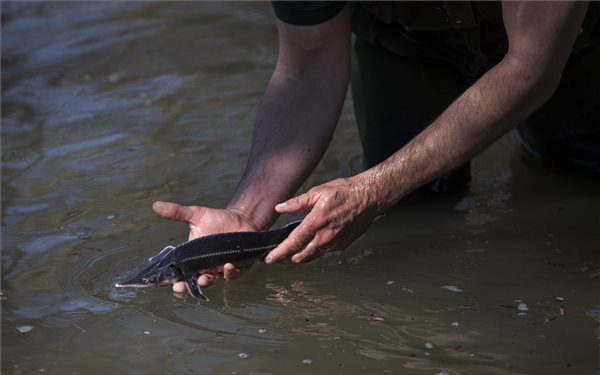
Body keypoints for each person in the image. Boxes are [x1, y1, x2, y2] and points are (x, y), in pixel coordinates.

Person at [152, 1, 599, 294]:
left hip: (573, 36)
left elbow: (530, 66)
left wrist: (371, 190)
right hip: (407, 42)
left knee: (573, 178)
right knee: (419, 206)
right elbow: (308, 67)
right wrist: (247, 215)